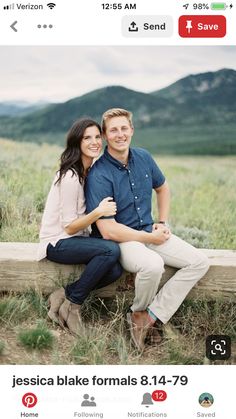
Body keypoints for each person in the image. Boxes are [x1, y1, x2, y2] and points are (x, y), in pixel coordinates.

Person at [85, 108, 210, 351]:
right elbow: (109, 230)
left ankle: (151, 316)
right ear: (105, 135)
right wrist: (148, 236)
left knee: (199, 262)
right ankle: (137, 310)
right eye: (113, 130)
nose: (120, 134)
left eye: (124, 128)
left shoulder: (144, 157)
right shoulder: (99, 174)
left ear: (131, 130)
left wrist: (162, 223)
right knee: (152, 265)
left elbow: (162, 188)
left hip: (149, 232)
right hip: (122, 240)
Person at [37, 118, 123, 335]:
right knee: (110, 250)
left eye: (97, 137)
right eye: (87, 138)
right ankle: (72, 307)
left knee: (115, 269)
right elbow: (68, 227)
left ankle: (63, 294)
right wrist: (98, 213)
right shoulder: (70, 176)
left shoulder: (86, 172)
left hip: (74, 240)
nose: (94, 142)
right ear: (77, 142)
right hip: (56, 242)